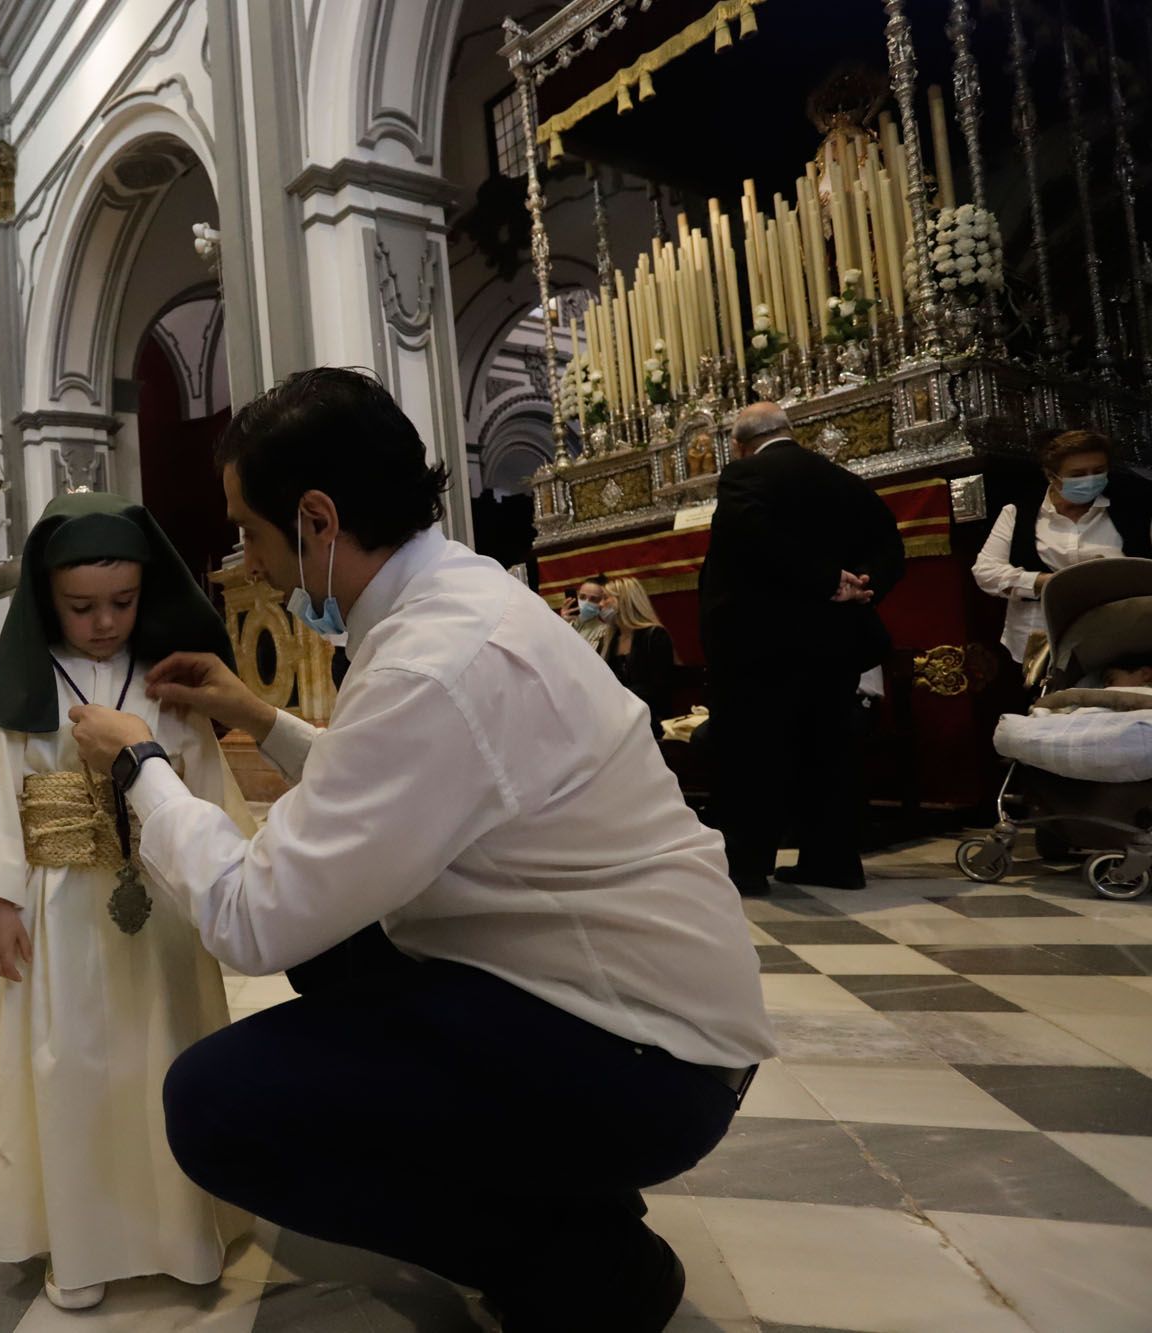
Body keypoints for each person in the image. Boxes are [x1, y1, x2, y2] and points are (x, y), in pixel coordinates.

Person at [64, 369, 774, 1332]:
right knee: (336, 943)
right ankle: (563, 1192)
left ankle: (584, 1262)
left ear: (317, 518)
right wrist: (259, 717)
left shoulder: (434, 662)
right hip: (627, 1007)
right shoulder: (458, 595)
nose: (250, 560)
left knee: (215, 1104)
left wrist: (139, 767)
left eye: (252, 532)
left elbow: (251, 916)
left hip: (650, 1061)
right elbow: (409, 790)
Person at [0, 492, 252, 1313]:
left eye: (122, 602)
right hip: (62, 912)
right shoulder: (27, 685)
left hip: (157, 905)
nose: (104, 621)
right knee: (71, 1068)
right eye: (82, 606)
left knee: (169, 1056)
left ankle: (186, 1236)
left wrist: (220, 886)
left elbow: (200, 785)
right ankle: (79, 1246)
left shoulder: (161, 678)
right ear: (48, 596)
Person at [699, 401, 905, 896]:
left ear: (739, 443)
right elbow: (889, 544)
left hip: (762, 645)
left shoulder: (744, 476)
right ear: (790, 431)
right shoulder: (843, 480)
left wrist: (824, 581)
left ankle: (747, 868)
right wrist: (861, 586)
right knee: (827, 753)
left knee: (753, 755)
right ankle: (832, 862)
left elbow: (753, 540)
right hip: (834, 644)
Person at [973, 430, 1151, 672]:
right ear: (1052, 476)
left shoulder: (1133, 511)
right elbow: (986, 572)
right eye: (1077, 474)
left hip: (1120, 637)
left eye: (1098, 471)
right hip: (1039, 641)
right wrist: (1053, 582)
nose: (1090, 480)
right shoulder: (1018, 512)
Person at [598, 575, 677, 738]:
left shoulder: (654, 636)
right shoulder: (608, 641)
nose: (600, 605)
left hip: (650, 719)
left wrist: (616, 696)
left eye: (606, 598)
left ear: (625, 600)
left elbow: (659, 688)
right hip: (619, 719)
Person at [574, 574, 611, 648]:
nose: (586, 602)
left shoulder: (604, 631)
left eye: (593, 599)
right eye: (582, 597)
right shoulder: (568, 622)